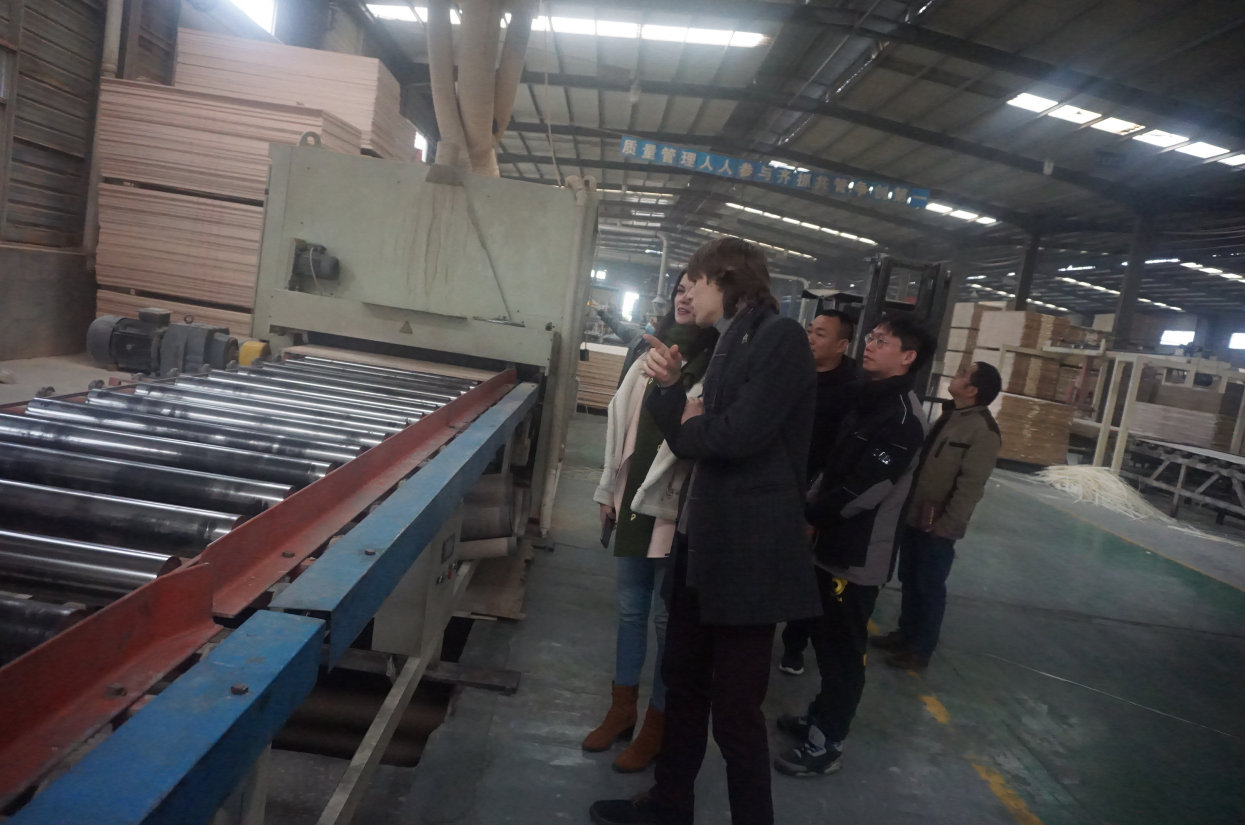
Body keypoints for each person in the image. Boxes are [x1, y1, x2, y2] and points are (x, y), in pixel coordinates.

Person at [590, 237, 820, 825]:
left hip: (748, 553)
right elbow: (692, 438)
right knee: (684, 683)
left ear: (730, 277)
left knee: (736, 712)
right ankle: (671, 806)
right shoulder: (726, 342)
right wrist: (674, 393)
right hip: (701, 542)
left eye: (695, 280)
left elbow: (735, 437)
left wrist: (698, 425)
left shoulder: (779, 338)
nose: (685, 291)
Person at [774, 313, 934, 779]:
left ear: (908, 357)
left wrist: (811, 516)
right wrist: (810, 503)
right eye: (873, 337)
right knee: (826, 643)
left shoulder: (904, 418)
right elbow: (833, 467)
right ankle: (819, 718)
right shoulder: (867, 399)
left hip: (858, 555)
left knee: (843, 653)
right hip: (830, 542)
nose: (871, 344)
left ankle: (828, 743)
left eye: (884, 341)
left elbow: (866, 490)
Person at [586, 272, 718, 773]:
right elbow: (620, 426)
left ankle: (658, 725)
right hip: (631, 499)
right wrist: (608, 490)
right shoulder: (647, 352)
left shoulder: (715, 362)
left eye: (694, 291)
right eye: (680, 289)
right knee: (629, 611)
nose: (685, 297)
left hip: (672, 507)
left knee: (665, 621)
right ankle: (621, 710)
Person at [870, 361, 1002, 670]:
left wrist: (949, 524)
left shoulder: (983, 431)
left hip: (938, 525)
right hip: (916, 516)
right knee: (910, 579)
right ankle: (905, 634)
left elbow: (971, 485)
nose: (955, 375)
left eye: (962, 374)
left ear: (972, 389)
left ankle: (920, 649)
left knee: (929, 586)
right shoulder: (951, 416)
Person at [779, 309, 860, 677]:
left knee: (806, 574)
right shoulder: (792, 372)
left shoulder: (852, 390)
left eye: (820, 334)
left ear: (842, 345)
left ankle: (794, 645)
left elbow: (842, 454)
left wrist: (818, 502)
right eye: (809, 330)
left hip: (815, 490)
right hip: (778, 481)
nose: (810, 338)